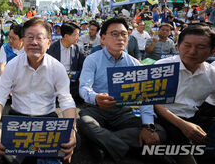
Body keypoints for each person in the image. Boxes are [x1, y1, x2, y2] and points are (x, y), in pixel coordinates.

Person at [0, 18, 77, 163]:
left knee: (63, 150)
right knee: (7, 154)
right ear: (23, 41)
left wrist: (72, 130)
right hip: (18, 119)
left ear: (48, 43)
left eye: (39, 38)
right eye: (30, 37)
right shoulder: (12, 66)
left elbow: (66, 101)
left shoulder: (57, 68)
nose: (34, 42)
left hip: (47, 120)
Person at [78, 17, 166, 162]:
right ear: (103, 38)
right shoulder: (92, 59)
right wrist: (96, 97)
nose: (120, 38)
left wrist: (147, 126)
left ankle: (105, 147)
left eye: (124, 34)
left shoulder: (134, 63)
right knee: (84, 123)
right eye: (114, 34)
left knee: (159, 131)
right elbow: (84, 87)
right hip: (96, 109)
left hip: (123, 111)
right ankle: (126, 152)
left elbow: (145, 96)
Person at [154, 25, 215, 162]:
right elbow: (153, 102)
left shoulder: (211, 75)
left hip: (193, 120)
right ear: (178, 46)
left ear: (212, 52)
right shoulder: (161, 67)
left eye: (200, 47)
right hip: (161, 119)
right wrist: (182, 125)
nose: (192, 52)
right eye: (187, 45)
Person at [47, 22, 85, 100]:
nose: (78, 37)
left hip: (72, 83)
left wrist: (81, 76)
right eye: (75, 35)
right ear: (66, 36)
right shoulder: (52, 48)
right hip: (55, 83)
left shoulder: (78, 48)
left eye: (78, 35)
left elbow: (82, 65)